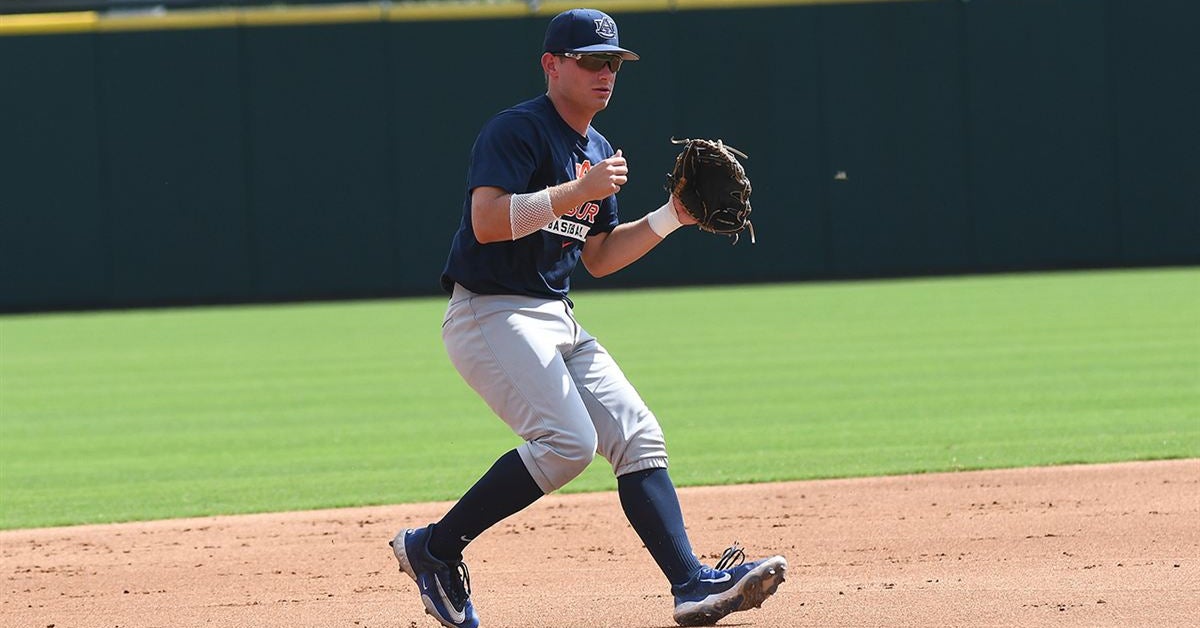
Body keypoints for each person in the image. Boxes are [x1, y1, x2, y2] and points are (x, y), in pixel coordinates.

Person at [390, 8, 787, 628]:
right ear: (552, 65)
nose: (607, 73)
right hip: (490, 311)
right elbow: (488, 223)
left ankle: (690, 583)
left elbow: (597, 257)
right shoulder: (516, 131)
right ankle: (434, 550)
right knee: (568, 443)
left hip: (555, 314)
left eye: (614, 62)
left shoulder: (597, 150)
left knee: (637, 435)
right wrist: (580, 191)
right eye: (592, 60)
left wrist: (672, 216)